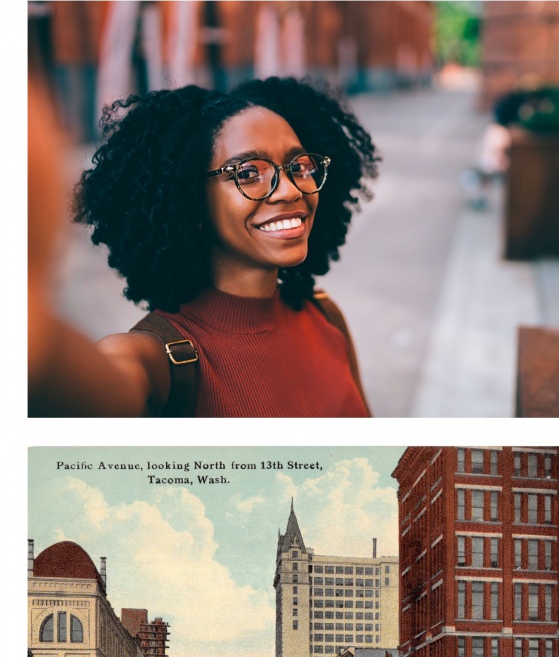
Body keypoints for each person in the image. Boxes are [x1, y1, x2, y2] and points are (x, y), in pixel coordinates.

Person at [33, 76, 379, 419]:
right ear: (191, 200)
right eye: (247, 173)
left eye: (300, 166)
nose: (290, 190)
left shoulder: (326, 317)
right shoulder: (154, 361)